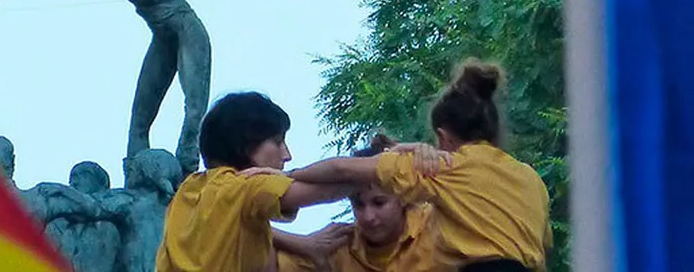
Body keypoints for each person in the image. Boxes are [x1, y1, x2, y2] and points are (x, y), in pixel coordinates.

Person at [286, 61, 552, 272]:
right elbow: (544, 242)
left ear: (443, 137)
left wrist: (288, 176)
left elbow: (341, 169)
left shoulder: (446, 169)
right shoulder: (530, 177)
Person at [18, 0, 210, 174]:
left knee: (194, 108)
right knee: (139, 120)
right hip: (162, 37)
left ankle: (188, 171)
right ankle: (137, 177)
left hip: (185, 28)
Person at [155, 92, 354, 272]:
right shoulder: (246, 186)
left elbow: (234, 222)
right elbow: (333, 185)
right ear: (247, 145)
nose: (287, 155)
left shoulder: (189, 189)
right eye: (277, 142)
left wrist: (301, 243)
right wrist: (374, 168)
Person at [275, 135, 437, 272]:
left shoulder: (435, 225)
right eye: (359, 205)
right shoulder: (337, 246)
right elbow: (264, 262)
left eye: (379, 203)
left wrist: (428, 156)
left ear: (403, 197)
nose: (368, 217)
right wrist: (300, 243)